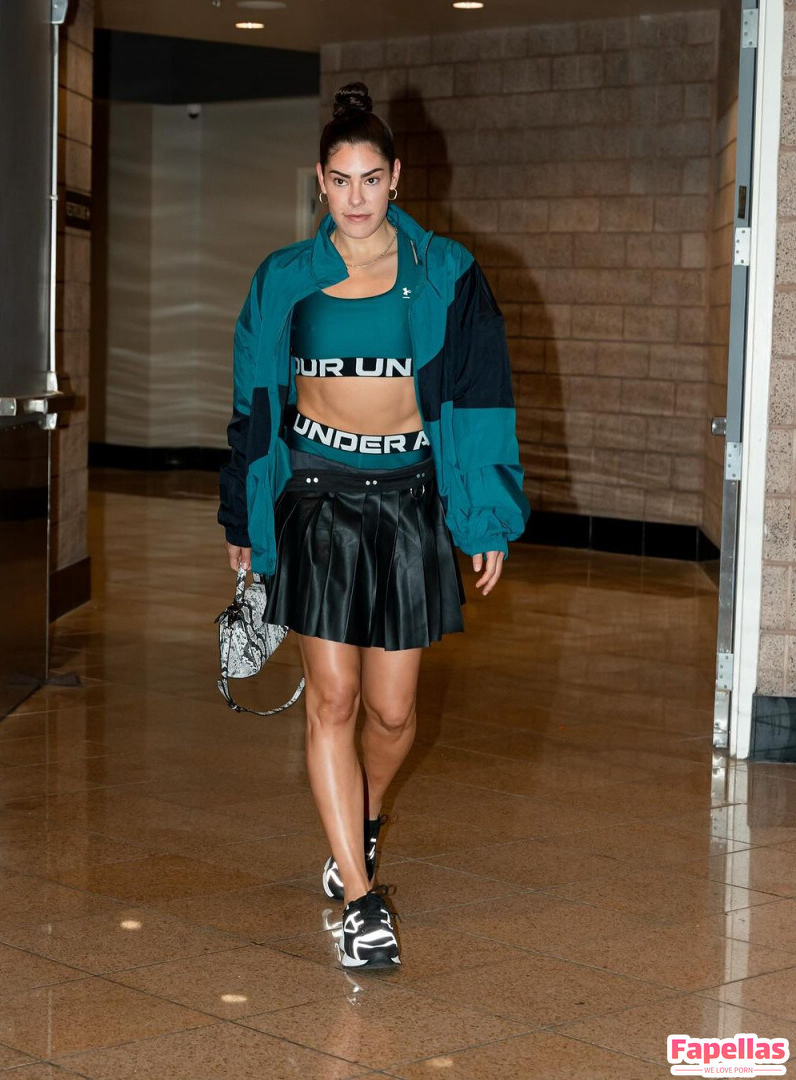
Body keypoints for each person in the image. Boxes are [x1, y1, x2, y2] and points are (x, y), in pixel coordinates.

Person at [218, 82, 529, 969]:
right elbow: (252, 405)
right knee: (336, 699)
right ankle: (361, 900)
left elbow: (481, 399)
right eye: (339, 180)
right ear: (320, 181)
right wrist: (243, 511)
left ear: (396, 178)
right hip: (316, 494)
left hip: (408, 498)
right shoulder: (283, 278)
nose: (355, 197)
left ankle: (363, 821)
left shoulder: (448, 274)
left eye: (370, 179)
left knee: (393, 714)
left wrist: (483, 517)